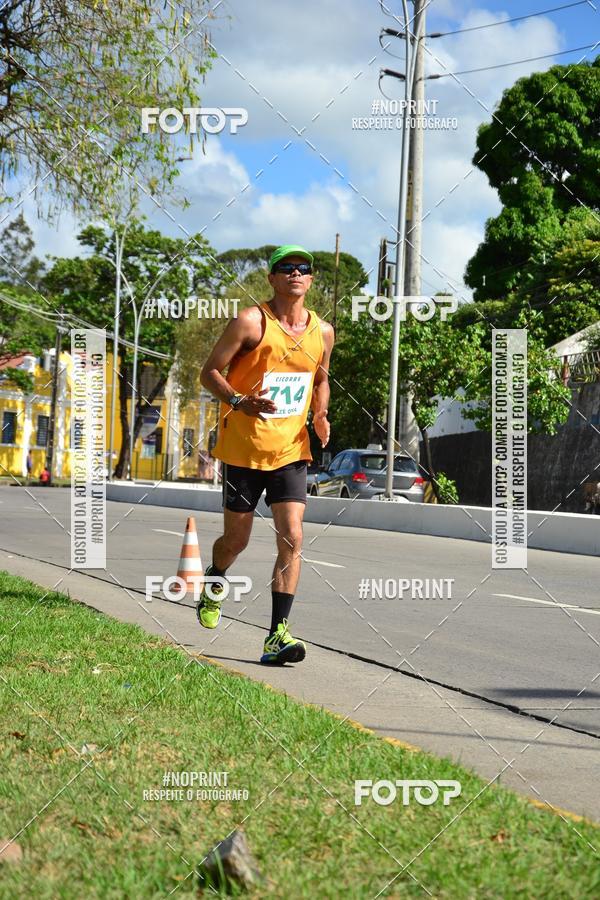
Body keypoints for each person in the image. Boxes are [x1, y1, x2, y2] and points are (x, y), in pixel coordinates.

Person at [197, 245, 334, 664]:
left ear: (311, 281)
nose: (295, 273)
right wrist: (239, 401)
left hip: (292, 450)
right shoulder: (251, 322)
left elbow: (321, 379)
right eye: (286, 268)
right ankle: (215, 578)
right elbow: (209, 373)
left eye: (303, 268)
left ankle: (277, 636)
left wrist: (320, 414)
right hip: (244, 449)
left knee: (293, 536)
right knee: (237, 541)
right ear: (272, 278)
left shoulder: (323, 332)